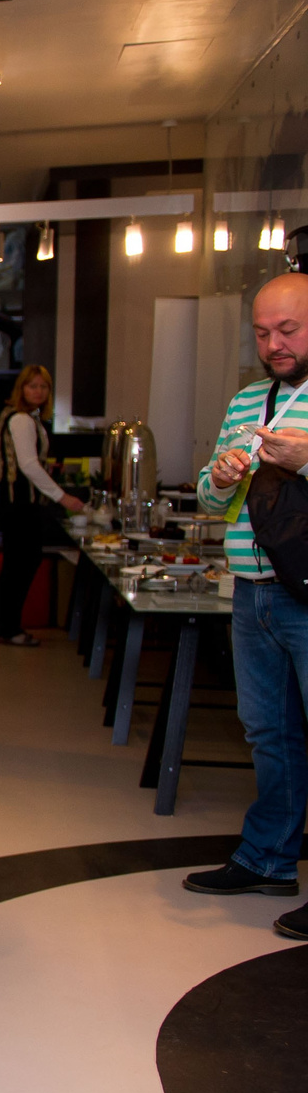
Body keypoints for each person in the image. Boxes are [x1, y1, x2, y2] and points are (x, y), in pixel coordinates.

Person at [185, 272, 308, 922]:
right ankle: (268, 859)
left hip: (305, 592)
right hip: (251, 591)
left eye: (288, 330)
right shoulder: (247, 401)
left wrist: (302, 460)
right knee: (268, 733)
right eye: (262, 333)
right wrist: (222, 475)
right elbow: (211, 498)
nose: (273, 345)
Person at [0, 365, 83, 646]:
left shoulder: (20, 417)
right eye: (33, 386)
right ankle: (8, 627)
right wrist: (63, 497)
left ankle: (7, 626)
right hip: (17, 502)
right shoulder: (21, 419)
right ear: (22, 389)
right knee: (22, 563)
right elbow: (28, 465)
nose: (38, 391)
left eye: (43, 386)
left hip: (12, 501)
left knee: (18, 563)